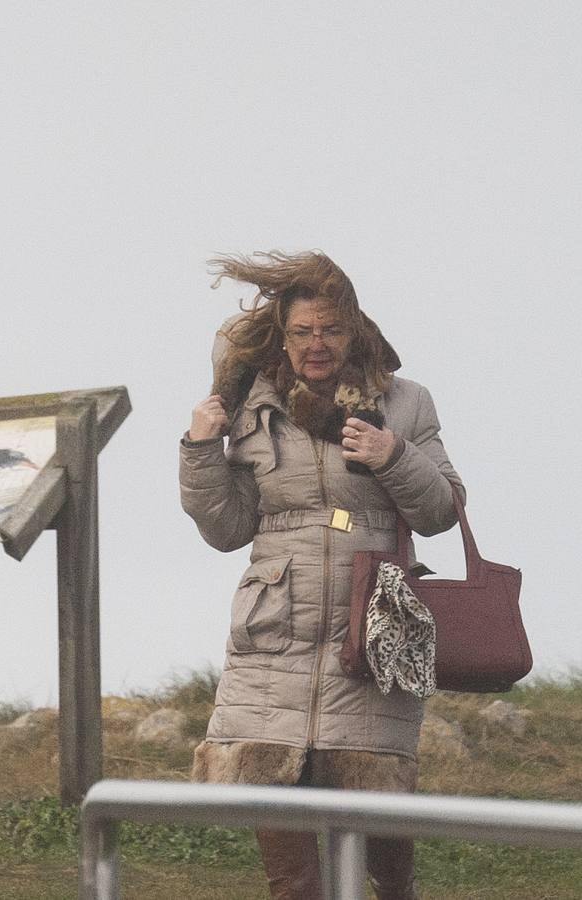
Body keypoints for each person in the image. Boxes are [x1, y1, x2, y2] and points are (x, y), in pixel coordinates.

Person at [179, 251, 463, 900]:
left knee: (388, 868)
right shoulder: (252, 404)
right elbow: (226, 527)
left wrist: (394, 456)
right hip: (272, 638)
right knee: (293, 880)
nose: (317, 345)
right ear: (283, 334)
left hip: (369, 638)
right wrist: (200, 450)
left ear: (355, 330)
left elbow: (444, 508)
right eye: (302, 331)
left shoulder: (405, 403)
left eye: (331, 330)